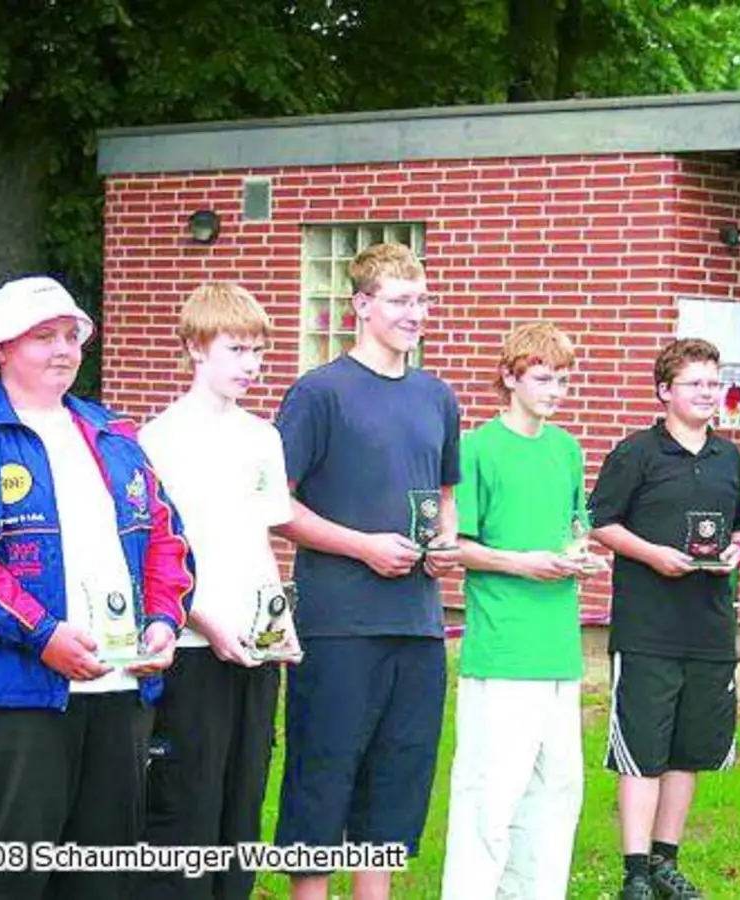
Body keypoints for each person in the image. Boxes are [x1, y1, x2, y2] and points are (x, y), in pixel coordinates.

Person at [0, 275, 194, 900]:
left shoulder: (116, 434)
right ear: (0, 350)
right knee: (8, 879)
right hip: (6, 697)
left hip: (116, 686)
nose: (63, 349)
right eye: (43, 337)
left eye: (72, 336)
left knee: (101, 879)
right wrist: (42, 635)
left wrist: (165, 621)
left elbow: (167, 539)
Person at [272, 241, 463, 900]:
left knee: (397, 780)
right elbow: (275, 505)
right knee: (324, 777)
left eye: (422, 300)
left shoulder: (437, 397)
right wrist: (362, 547)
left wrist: (445, 542)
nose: (416, 313)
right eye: (400, 301)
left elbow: (443, 495)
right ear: (361, 305)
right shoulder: (319, 394)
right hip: (339, 624)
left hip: (417, 624)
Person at [137, 282, 301, 900]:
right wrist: (204, 622)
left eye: (258, 351)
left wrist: (276, 620)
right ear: (195, 349)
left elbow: (259, 541)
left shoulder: (263, 438)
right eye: (236, 349)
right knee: (186, 805)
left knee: (242, 802)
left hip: (254, 653)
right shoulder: (157, 440)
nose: (251, 365)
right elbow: (155, 552)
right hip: (191, 648)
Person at [585, 337, 740, 900]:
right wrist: (654, 555)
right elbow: (600, 522)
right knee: (643, 747)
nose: (709, 393)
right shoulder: (636, 453)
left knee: (691, 749)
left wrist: (737, 549)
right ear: (664, 391)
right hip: (648, 628)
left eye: (715, 383)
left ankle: (665, 863)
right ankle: (634, 871)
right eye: (696, 384)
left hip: (708, 628)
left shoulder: (728, 457)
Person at [440, 322, 599, 900]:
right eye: (542, 378)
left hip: (560, 651)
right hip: (503, 650)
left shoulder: (567, 448)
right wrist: (524, 563)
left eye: (563, 379)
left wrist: (579, 557)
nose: (555, 390)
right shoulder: (477, 449)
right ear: (509, 378)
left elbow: (574, 527)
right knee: (488, 796)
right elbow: (456, 547)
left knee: (557, 794)